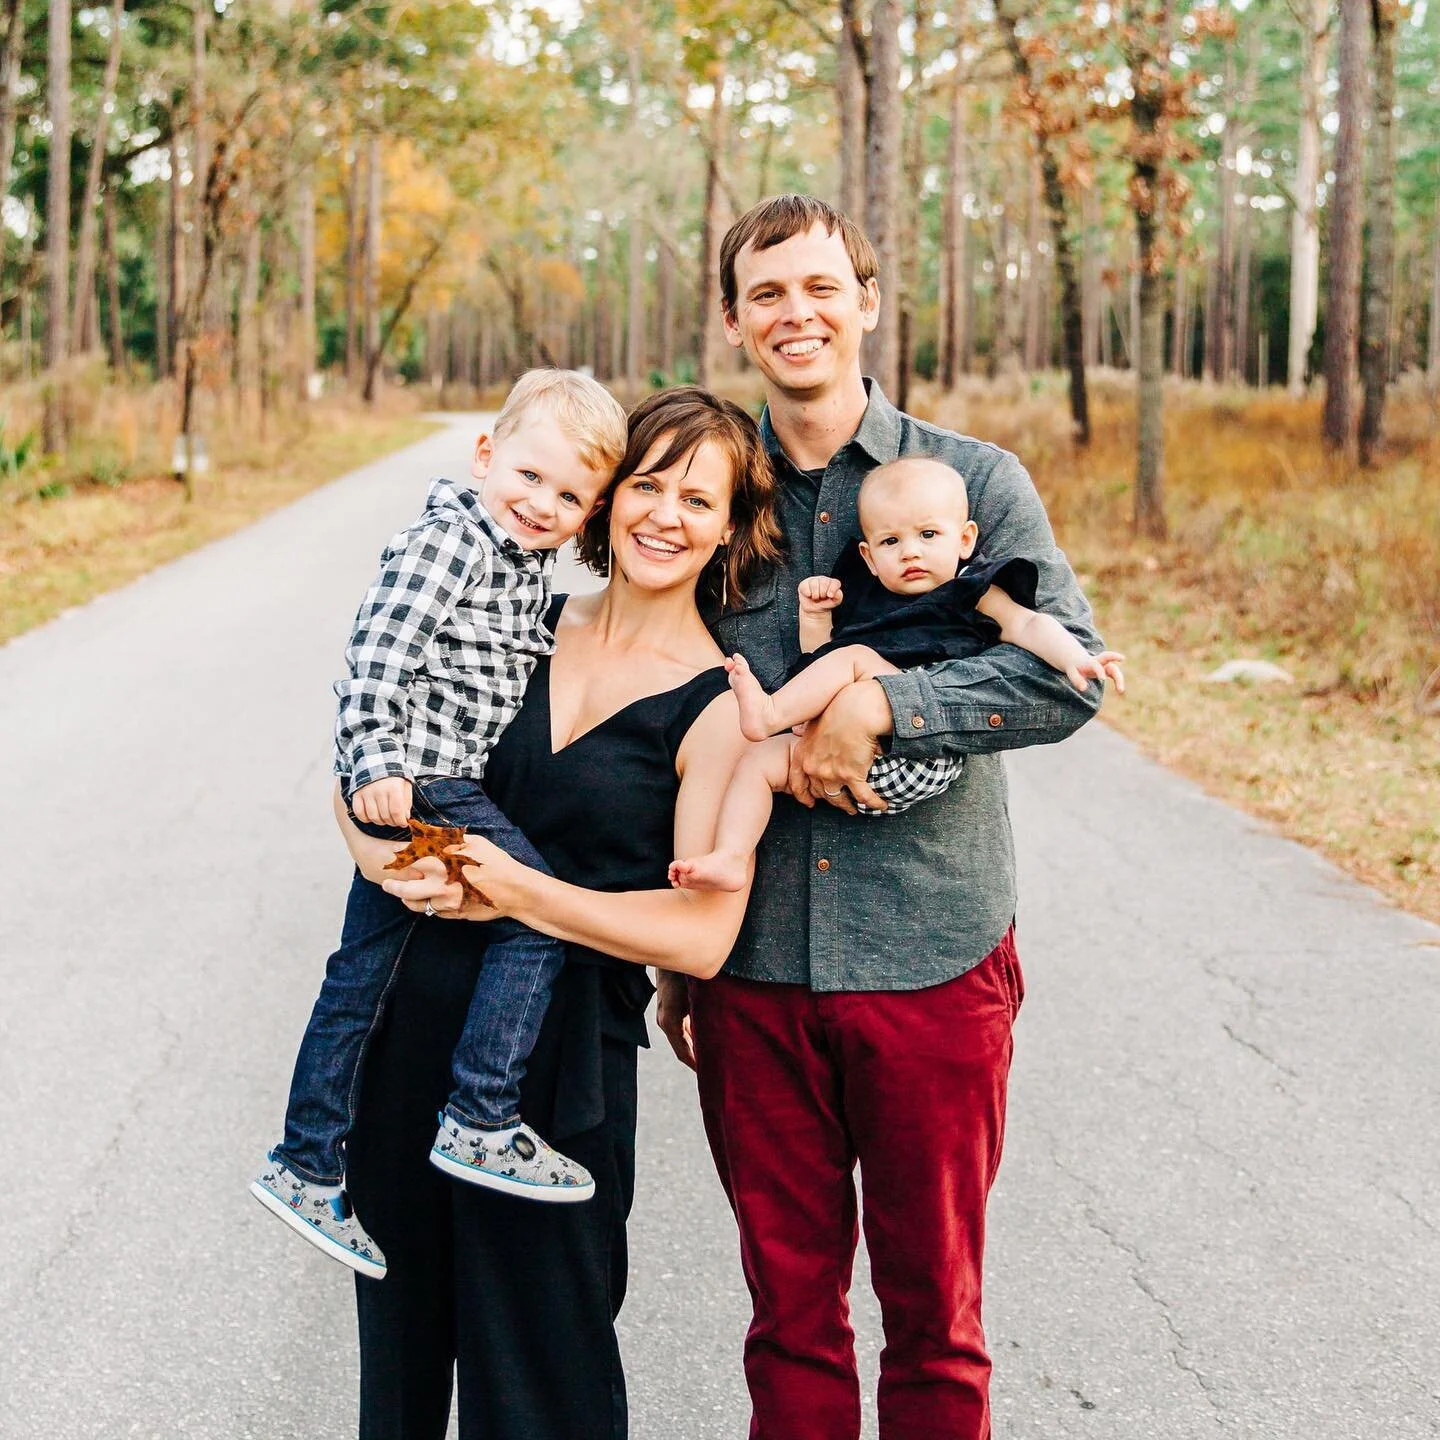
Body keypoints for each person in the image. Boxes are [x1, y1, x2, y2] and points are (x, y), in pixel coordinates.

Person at [654, 193, 1113, 1440]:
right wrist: (668, 949)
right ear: (738, 324)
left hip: (933, 955)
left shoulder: (973, 482)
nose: (796, 314)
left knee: (937, 1321)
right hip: (750, 970)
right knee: (788, 1320)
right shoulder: (709, 493)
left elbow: (1063, 675)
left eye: (819, 288)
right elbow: (654, 698)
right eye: (767, 294)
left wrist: (887, 710)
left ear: (866, 301)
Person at [332, 386, 784, 1439]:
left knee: (543, 1381)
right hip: (411, 1028)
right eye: (649, 484)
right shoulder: (516, 613)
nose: (666, 515)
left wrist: (517, 889)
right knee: (397, 1367)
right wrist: (387, 857)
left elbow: (701, 940)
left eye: (699, 499)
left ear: (727, 529)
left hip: (559, 1071)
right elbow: (382, 750)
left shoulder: (720, 704)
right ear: (608, 497)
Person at [252, 369, 628, 1281]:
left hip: (426, 777)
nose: (542, 504)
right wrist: (375, 759)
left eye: (570, 495)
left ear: (591, 513)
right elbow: (379, 648)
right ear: (486, 454)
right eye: (529, 477)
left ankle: (307, 1163)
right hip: (424, 778)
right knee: (537, 916)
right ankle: (481, 1115)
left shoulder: (517, 564)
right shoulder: (449, 544)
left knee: (361, 977)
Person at [670, 454, 1124, 891]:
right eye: (891, 542)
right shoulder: (867, 598)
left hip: (924, 751)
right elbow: (821, 664)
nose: (911, 552)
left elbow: (1029, 623)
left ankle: (768, 714)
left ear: (964, 540)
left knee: (857, 660)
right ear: (868, 556)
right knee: (758, 763)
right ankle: (730, 858)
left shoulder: (969, 591)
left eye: (928, 535)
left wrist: (1073, 658)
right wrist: (815, 620)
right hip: (853, 765)